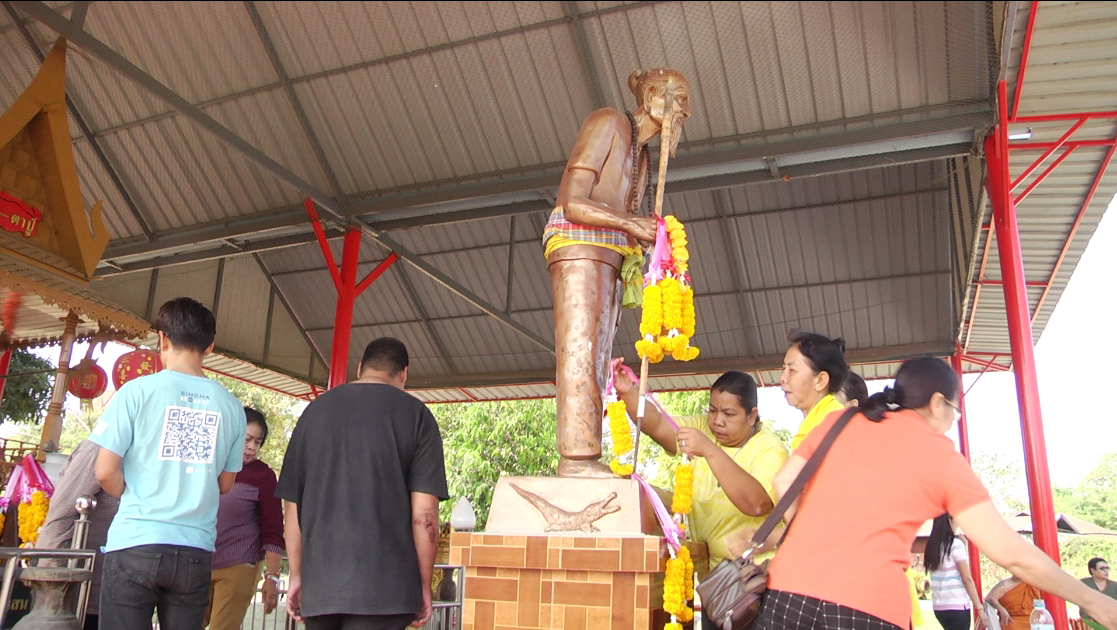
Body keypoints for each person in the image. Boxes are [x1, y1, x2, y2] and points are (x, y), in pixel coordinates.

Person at [756, 357, 1117, 630]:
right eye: (955, 412)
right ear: (938, 402)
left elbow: (784, 482)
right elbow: (1012, 553)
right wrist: (1091, 600)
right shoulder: (941, 456)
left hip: (787, 592)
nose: (952, 421)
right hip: (865, 606)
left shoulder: (841, 421)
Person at [544, 67, 690, 477]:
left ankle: (585, 455)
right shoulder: (609, 121)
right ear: (651, 96)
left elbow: (623, 219)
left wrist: (644, 240)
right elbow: (573, 202)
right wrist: (630, 224)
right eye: (678, 99)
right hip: (578, 246)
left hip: (609, 257)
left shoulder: (641, 154)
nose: (684, 111)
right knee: (581, 350)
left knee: (597, 356)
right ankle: (576, 460)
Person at [92, 297, 247, 630]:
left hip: (136, 540)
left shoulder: (136, 392)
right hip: (195, 551)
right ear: (210, 346)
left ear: (162, 338)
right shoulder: (232, 407)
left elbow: (104, 471)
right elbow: (225, 484)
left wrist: (138, 494)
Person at [276, 337, 448, 630]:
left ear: (360, 369)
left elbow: (292, 504)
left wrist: (297, 575)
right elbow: (425, 513)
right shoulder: (417, 416)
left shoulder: (314, 412)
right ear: (404, 374)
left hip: (321, 589)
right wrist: (423, 583)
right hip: (386, 592)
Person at [611, 361, 788, 569]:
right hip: (713, 575)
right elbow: (657, 425)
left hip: (756, 574)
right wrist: (628, 392)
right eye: (712, 411)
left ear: (751, 416)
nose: (717, 421)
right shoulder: (703, 427)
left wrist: (708, 449)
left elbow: (756, 504)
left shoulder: (770, 449)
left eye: (729, 414)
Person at [205, 407, 285, 630]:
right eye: (247, 439)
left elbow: (274, 530)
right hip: (199, 562)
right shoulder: (208, 465)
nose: (252, 447)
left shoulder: (263, 476)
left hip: (239, 565)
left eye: (258, 442)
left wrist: (272, 577)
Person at [37, 439, 120, 630]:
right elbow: (60, 518)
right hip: (83, 594)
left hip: (121, 591)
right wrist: (49, 584)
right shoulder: (99, 447)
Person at [780, 330, 850, 450]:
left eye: (792, 370)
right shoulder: (818, 420)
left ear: (820, 380)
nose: (782, 378)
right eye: (783, 369)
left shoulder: (831, 426)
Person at [924, 514, 988, 630]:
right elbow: (967, 579)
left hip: (939, 606)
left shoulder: (932, 546)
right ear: (949, 521)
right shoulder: (955, 544)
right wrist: (979, 607)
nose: (957, 523)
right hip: (957, 604)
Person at [1081, 558, 1117, 622]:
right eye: (1102, 569)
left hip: (1111, 621)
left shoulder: (1114, 586)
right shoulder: (1085, 583)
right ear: (1092, 570)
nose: (1106, 571)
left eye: (1107, 568)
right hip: (1090, 621)